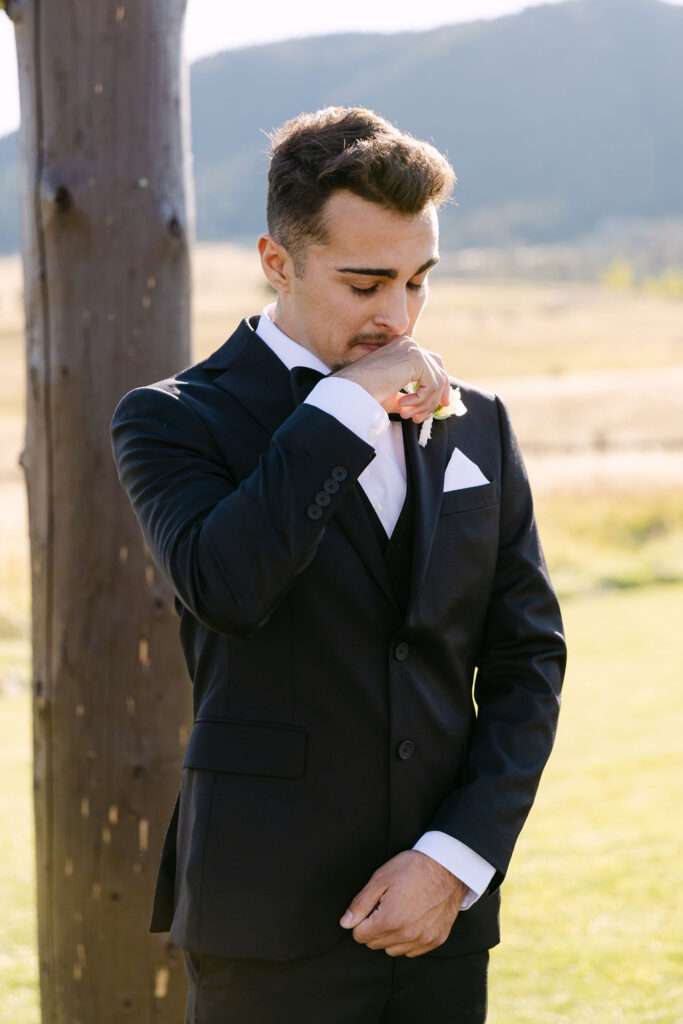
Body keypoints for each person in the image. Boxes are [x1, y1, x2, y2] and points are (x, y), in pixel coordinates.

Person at [111, 106, 566, 1024]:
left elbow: (527, 664)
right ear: (278, 262)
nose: (396, 315)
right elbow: (226, 589)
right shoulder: (171, 418)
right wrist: (347, 405)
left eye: (416, 281)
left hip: (443, 920)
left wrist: (455, 859)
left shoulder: (478, 422)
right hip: (266, 925)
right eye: (364, 284)